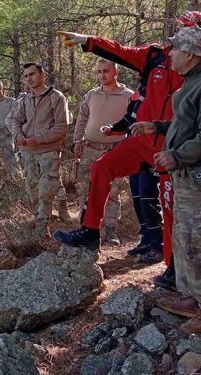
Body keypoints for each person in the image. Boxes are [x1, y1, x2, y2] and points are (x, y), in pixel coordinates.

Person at [53, 11, 201, 289]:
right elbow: (121, 52)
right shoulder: (156, 55)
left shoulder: (200, 71)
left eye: (184, 29)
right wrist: (88, 41)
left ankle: (174, 269)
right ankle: (90, 231)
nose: (177, 34)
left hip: (173, 147)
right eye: (178, 29)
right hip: (144, 140)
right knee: (101, 168)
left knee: (171, 210)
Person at [131, 26, 201, 334]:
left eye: (174, 49)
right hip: (190, 179)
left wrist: (177, 155)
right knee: (186, 240)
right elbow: (187, 122)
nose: (169, 54)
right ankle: (192, 297)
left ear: (190, 54)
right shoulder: (193, 82)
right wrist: (157, 127)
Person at [73, 58, 133, 246]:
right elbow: (82, 118)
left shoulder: (129, 95)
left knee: (113, 191)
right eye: (99, 72)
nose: (102, 75)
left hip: (116, 150)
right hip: (90, 149)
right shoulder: (91, 95)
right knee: (85, 189)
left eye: (106, 71)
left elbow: (134, 122)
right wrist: (77, 140)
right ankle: (87, 229)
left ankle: (111, 231)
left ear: (116, 72)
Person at [7, 63, 69, 238]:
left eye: (32, 74)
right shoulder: (26, 100)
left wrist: (39, 138)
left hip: (49, 150)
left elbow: (61, 127)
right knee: (32, 188)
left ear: (43, 74)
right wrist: (18, 135)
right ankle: (39, 222)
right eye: (26, 76)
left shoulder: (57, 97)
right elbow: (16, 121)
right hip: (28, 151)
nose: (29, 79)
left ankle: (42, 225)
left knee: (46, 189)